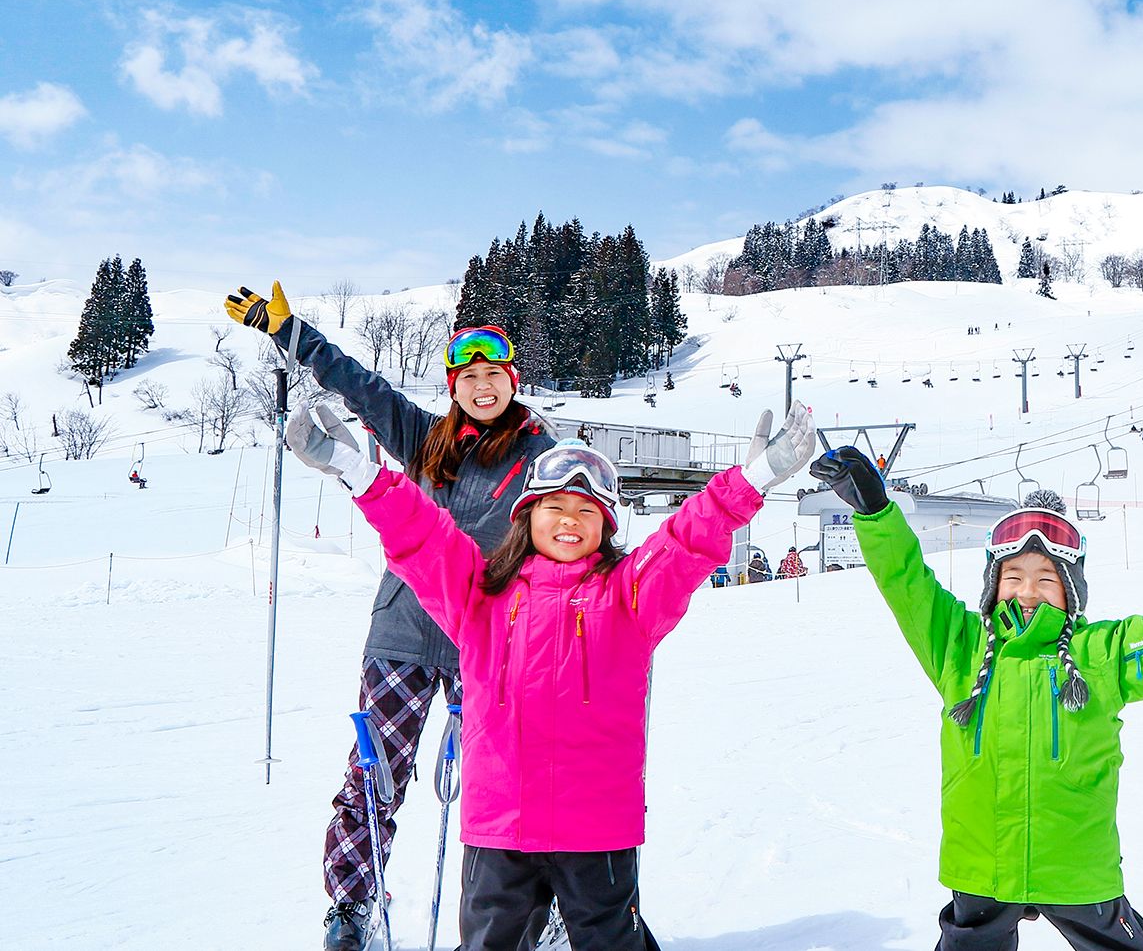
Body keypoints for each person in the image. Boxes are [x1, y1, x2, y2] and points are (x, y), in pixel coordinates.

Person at [286, 400, 815, 951]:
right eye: (555, 507)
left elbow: (684, 542)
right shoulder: (479, 595)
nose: (569, 521)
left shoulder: (630, 595)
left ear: (605, 527)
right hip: (499, 833)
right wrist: (359, 472)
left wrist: (751, 481)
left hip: (598, 836)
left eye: (587, 512)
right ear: (526, 515)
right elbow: (421, 535)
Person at [809, 448, 1143, 951]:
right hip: (981, 868)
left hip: (1076, 869)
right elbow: (906, 583)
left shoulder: (1099, 655)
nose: (1027, 590)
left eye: (1046, 577)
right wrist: (877, 513)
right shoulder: (959, 647)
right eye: (1014, 576)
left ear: (1070, 590)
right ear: (994, 584)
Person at [225, 287, 560, 951]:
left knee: (514, 780)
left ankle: (535, 912)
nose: (482, 386)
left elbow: (570, 535)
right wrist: (288, 332)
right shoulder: (423, 436)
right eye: (468, 377)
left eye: (494, 374)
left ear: (512, 382)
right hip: (401, 635)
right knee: (374, 773)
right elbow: (357, 382)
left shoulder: (540, 457)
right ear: (454, 386)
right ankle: (353, 906)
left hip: (488, 640)